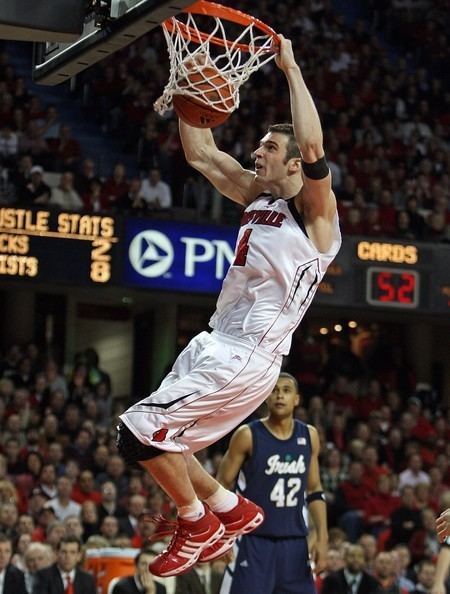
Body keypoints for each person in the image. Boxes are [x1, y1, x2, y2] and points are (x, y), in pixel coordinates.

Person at [117, 35, 340, 578]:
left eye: (267, 147)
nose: (256, 152)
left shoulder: (316, 218)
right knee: (161, 445)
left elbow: (312, 150)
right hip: (215, 344)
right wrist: (188, 86)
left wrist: (290, 68)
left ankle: (197, 522)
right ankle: (229, 508)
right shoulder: (255, 196)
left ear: (291, 166)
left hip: (246, 355)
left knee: (140, 429)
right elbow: (200, 152)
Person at [218, 372, 327, 594]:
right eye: (274, 390)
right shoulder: (247, 435)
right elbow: (221, 486)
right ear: (266, 397)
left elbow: (314, 489)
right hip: (252, 541)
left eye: (286, 390)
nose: (280, 395)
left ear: (296, 399)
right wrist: (221, 536)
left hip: (295, 543)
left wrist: (323, 537)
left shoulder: (309, 436)